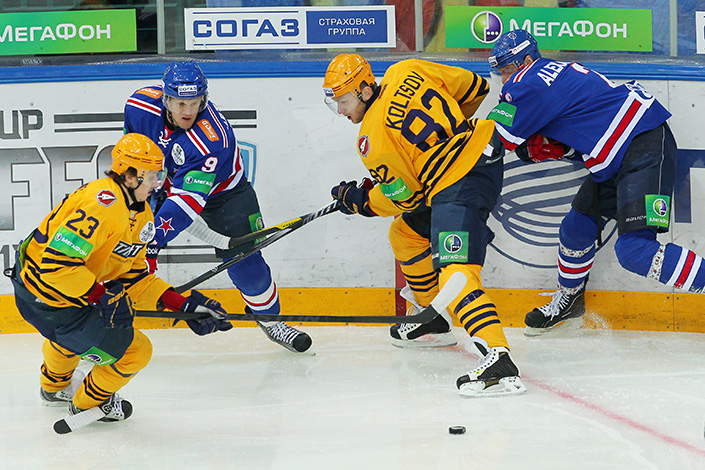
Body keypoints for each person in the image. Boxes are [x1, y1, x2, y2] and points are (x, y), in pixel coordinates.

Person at [323, 53, 526, 397]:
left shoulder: (371, 138)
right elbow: (476, 87)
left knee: (456, 270)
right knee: (405, 234)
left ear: (364, 90)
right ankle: (433, 316)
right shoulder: (407, 69)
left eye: (343, 101)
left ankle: (497, 355)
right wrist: (440, 141)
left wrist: (363, 202)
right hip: (483, 151)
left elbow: (407, 198)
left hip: (459, 182)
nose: (341, 110)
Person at [486, 29, 705, 336]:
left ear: (525, 60)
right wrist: (563, 149)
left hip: (641, 145)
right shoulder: (553, 72)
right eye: (499, 71)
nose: (504, 77)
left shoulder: (527, 82)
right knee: (576, 228)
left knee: (634, 251)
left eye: (507, 68)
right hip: (618, 151)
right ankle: (570, 302)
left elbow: (492, 143)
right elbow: (586, 122)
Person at [8, 133, 232, 428]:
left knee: (73, 338)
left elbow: (133, 276)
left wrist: (182, 305)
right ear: (129, 176)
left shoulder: (140, 213)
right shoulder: (103, 205)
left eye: (160, 175)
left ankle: (53, 387)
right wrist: (101, 296)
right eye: (151, 176)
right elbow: (57, 266)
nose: (157, 183)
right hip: (52, 302)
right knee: (136, 352)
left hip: (47, 296)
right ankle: (87, 403)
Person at [123, 60, 312, 353]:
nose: (188, 111)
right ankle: (106, 320)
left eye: (195, 102)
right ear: (166, 99)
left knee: (247, 265)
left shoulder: (211, 140)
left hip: (225, 194)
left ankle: (271, 320)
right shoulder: (139, 107)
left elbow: (185, 204)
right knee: (123, 247)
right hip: (162, 182)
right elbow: (134, 157)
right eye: (180, 103)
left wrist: (153, 240)